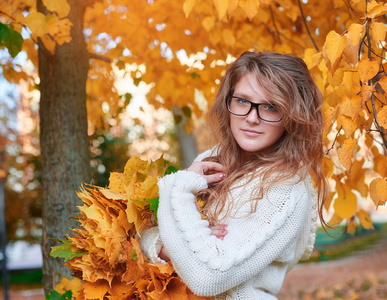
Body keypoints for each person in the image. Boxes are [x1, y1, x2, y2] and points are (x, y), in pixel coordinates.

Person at [139, 51, 328, 299]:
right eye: (242, 101)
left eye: (270, 107)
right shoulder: (210, 160)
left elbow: (208, 278)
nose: (251, 118)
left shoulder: (286, 189)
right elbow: (145, 233)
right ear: (227, 101)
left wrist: (177, 189)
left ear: (293, 116)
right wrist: (168, 247)